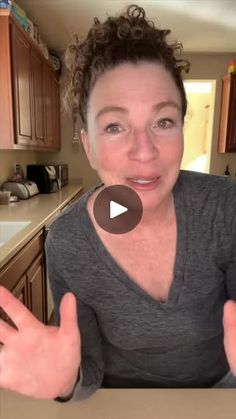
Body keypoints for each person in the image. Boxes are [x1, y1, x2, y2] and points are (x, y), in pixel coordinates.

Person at [0, 4, 236, 403]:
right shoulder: (68, 241)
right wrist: (66, 383)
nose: (144, 151)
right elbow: (86, 370)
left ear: (182, 126)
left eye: (163, 121)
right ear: (89, 146)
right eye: (114, 126)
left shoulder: (225, 208)